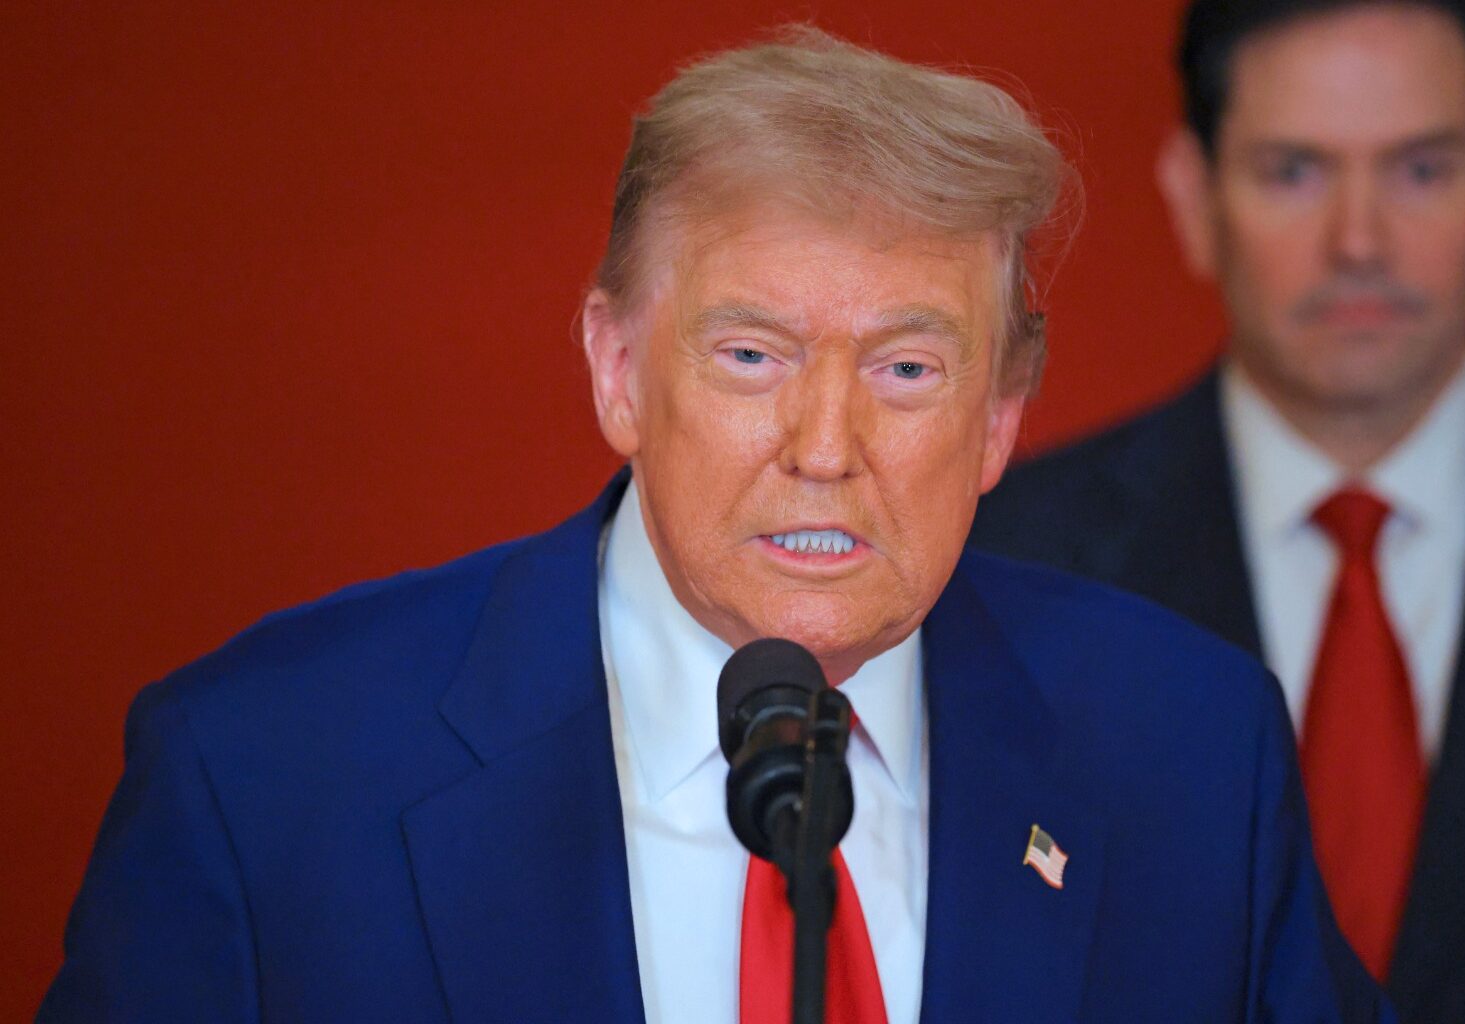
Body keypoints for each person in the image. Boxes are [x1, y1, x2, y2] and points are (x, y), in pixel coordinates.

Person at [39, 27, 1387, 1024]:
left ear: (999, 418)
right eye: (751, 356)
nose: (823, 447)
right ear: (617, 369)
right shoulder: (264, 779)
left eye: (907, 370)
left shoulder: (1193, 755)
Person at [972, 1, 1465, 1021]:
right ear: (1194, 198)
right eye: (1294, 172)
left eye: (1420, 171)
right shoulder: (1012, 566)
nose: (1360, 240)